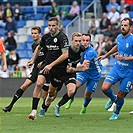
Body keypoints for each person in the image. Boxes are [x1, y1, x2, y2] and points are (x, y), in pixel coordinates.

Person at [27, 17, 70, 120]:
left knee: (51, 93)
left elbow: (65, 55)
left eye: (53, 26)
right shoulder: (46, 37)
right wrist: (33, 60)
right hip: (46, 65)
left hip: (58, 68)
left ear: (58, 26)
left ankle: (46, 103)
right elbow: (39, 47)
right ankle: (33, 112)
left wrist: (52, 65)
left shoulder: (62, 37)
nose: (51, 28)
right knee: (39, 84)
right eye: (49, 26)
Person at [39, 32, 89, 117]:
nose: (78, 43)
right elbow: (69, 69)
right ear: (71, 41)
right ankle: (44, 107)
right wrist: (81, 69)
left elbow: (74, 68)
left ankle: (58, 106)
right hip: (59, 72)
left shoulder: (82, 49)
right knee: (51, 93)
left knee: (72, 91)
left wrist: (81, 67)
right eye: (76, 41)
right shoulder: (67, 51)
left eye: (79, 41)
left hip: (70, 75)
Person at [2, 26, 47, 112]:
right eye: (32, 33)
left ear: (40, 34)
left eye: (35, 33)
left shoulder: (44, 44)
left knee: (46, 93)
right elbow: (36, 57)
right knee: (24, 86)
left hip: (45, 68)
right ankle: (10, 106)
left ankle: (44, 107)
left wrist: (44, 62)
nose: (33, 35)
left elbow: (50, 56)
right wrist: (31, 61)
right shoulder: (34, 45)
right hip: (36, 69)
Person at [97, 17, 133, 120]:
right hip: (117, 68)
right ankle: (113, 99)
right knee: (104, 88)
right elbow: (117, 47)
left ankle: (116, 113)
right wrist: (105, 55)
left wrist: (124, 58)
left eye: (125, 25)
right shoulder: (119, 37)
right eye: (122, 25)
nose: (123, 27)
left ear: (130, 27)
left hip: (129, 72)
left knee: (121, 95)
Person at [65, 34, 103, 115]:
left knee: (87, 95)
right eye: (83, 40)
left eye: (87, 41)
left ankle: (84, 106)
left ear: (90, 42)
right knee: (75, 86)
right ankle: (71, 99)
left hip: (94, 74)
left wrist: (73, 69)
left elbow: (84, 66)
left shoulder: (90, 52)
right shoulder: (79, 49)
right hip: (85, 72)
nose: (85, 42)